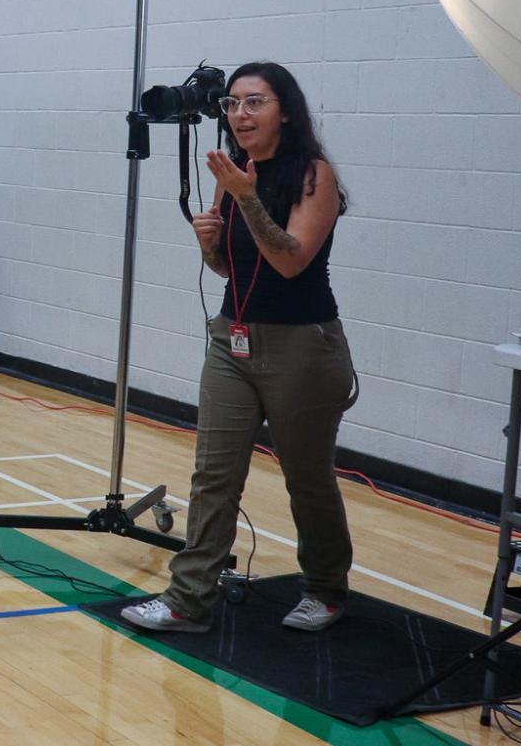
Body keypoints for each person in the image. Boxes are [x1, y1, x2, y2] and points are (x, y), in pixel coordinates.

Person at [123, 62, 358, 635]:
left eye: (255, 103)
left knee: (307, 477)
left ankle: (326, 589)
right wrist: (209, 247)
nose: (240, 114)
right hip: (233, 339)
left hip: (303, 346)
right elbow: (238, 267)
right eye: (231, 104)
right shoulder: (236, 174)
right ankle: (188, 600)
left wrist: (246, 199)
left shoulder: (313, 175)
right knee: (213, 475)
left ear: (286, 111)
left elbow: (290, 259)